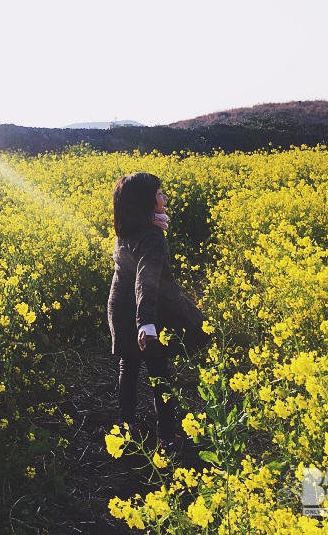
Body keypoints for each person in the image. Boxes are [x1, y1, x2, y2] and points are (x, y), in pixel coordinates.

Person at [107, 172, 207, 454]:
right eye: (160, 193)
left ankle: (125, 427)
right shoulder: (152, 235)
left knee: (128, 367)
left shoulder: (126, 228)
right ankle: (167, 436)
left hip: (120, 308)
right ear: (146, 201)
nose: (164, 197)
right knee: (159, 372)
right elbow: (145, 279)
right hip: (142, 311)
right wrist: (147, 324)